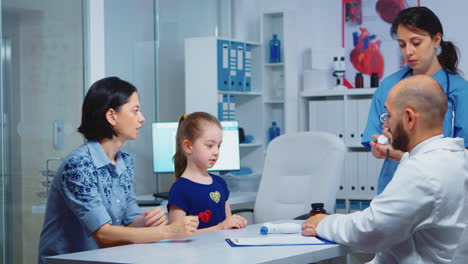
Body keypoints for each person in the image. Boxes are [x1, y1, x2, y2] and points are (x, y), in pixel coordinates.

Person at [302, 75, 468, 263]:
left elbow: (371, 230)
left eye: (388, 115)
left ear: (409, 118)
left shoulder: (421, 172)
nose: (384, 125)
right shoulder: (456, 156)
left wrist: (323, 222)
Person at [38, 77, 199, 264]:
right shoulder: (78, 164)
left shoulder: (125, 162)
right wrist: (170, 231)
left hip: (105, 258)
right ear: (112, 116)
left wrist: (150, 220)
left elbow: (130, 221)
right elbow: (104, 235)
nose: (142, 118)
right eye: (135, 110)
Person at [362, 6, 468, 194]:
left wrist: (403, 156)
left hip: (440, 189)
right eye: (402, 44)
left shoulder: (459, 90)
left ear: (436, 39)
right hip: (395, 188)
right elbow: (375, 139)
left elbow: (464, 157)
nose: (408, 52)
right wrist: (379, 148)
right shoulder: (389, 86)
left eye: (416, 43)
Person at [168, 112, 247, 233]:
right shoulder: (180, 189)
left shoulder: (220, 183)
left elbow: (228, 223)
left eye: (218, 146)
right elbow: (176, 234)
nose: (216, 152)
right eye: (210, 145)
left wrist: (236, 223)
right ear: (188, 146)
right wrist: (220, 227)